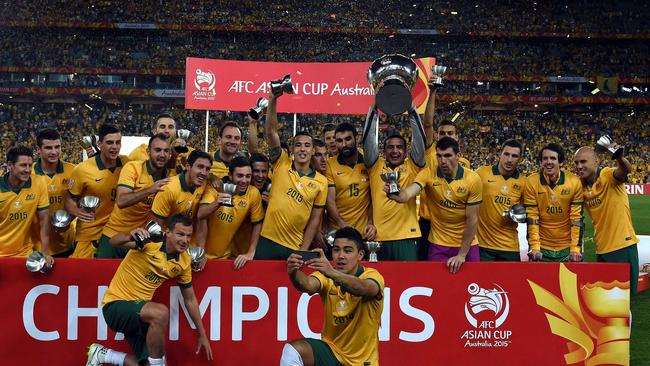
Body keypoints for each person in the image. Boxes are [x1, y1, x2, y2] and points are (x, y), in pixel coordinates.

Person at [86, 214, 213, 366]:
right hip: (115, 306)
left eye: (188, 236)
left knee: (147, 363)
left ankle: (103, 355)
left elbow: (190, 299)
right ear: (168, 232)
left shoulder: (184, 262)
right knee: (160, 313)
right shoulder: (150, 242)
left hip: (141, 316)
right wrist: (130, 235)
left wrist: (202, 334)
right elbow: (113, 242)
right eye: (180, 234)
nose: (185, 240)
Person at [281, 227, 384, 366]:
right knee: (293, 351)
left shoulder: (372, 275)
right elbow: (308, 285)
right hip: (332, 354)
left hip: (363, 362)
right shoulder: (327, 275)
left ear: (360, 255)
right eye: (336, 250)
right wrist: (293, 272)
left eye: (347, 251)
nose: (341, 256)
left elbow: (365, 288)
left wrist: (332, 272)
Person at [389, 137, 481, 273]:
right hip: (439, 243)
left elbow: (472, 220)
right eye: (439, 156)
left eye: (448, 156)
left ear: (458, 156)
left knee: (473, 287)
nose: (442, 161)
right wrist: (397, 194)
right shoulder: (428, 173)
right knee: (437, 289)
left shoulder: (472, 179)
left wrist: (462, 254)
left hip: (467, 244)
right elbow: (407, 194)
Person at [255, 92, 328, 260]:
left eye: (307, 146)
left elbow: (314, 221)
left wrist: (303, 249)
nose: (302, 149)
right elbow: (271, 132)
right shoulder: (282, 163)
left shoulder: (321, 182)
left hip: (293, 246)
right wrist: (273, 99)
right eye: (298, 145)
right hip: (267, 240)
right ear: (293, 149)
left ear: (312, 151)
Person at [362, 103, 427, 261]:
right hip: (379, 237)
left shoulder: (412, 166)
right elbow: (368, 140)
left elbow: (420, 140)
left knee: (407, 281)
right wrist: (374, 107)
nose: (395, 150)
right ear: (383, 151)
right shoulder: (375, 166)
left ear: (405, 151)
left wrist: (412, 110)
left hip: (407, 237)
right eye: (390, 147)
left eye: (399, 147)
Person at [574, 145, 640, 294]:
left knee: (624, 299)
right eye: (576, 163)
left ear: (596, 162)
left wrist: (618, 157)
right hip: (601, 248)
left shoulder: (608, 175)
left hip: (622, 246)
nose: (579, 166)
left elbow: (625, 170)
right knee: (607, 299)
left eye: (583, 162)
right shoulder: (581, 186)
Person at [97, 134, 172, 258]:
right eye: (158, 150)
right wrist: (150, 189)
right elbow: (121, 201)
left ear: (170, 154)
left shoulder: (171, 177)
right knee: (102, 275)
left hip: (141, 238)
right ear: (148, 151)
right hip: (114, 234)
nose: (162, 155)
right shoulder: (133, 168)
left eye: (166, 151)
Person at [66, 124, 129, 258]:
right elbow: (70, 200)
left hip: (118, 231)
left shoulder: (127, 164)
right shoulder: (82, 170)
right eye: (110, 143)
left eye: (118, 143)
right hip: (90, 232)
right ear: (99, 144)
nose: (115, 147)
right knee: (83, 275)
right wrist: (77, 212)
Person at [196, 156, 264, 269]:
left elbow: (257, 223)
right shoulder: (216, 188)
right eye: (240, 176)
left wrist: (251, 252)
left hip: (224, 258)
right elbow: (200, 214)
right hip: (200, 255)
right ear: (230, 175)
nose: (244, 180)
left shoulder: (253, 193)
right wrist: (217, 203)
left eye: (248, 176)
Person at [524, 143, 584, 262]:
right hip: (541, 247)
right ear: (541, 162)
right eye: (545, 158)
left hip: (567, 247)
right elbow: (532, 217)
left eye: (553, 158)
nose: (548, 162)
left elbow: (576, 219)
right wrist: (535, 247)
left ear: (560, 162)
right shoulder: (531, 182)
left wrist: (575, 249)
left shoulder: (574, 182)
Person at [0, 146, 53, 268]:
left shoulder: (39, 183)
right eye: (23, 165)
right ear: (10, 165)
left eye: (30, 165)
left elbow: (44, 220)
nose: (28, 170)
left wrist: (45, 253)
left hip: (25, 254)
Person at [476, 139, 526, 261]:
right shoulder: (482, 173)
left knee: (511, 280)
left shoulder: (524, 182)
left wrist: (517, 215)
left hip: (509, 247)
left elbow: (528, 213)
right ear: (500, 154)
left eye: (514, 156)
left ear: (520, 159)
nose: (509, 160)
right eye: (506, 154)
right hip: (482, 245)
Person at [30, 128, 76, 257]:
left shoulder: (72, 171)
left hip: (66, 243)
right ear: (39, 150)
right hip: (36, 245)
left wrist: (69, 220)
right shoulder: (29, 174)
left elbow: (77, 202)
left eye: (57, 147)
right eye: (49, 148)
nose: (54, 152)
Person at [325, 122, 375, 240]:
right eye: (339, 141)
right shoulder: (330, 165)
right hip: (338, 231)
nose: (344, 144)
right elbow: (330, 201)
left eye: (348, 139)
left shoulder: (369, 162)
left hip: (364, 232)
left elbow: (373, 197)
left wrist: (370, 221)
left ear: (356, 138)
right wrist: (341, 223)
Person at [151, 150, 211, 245]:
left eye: (207, 169)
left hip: (189, 246)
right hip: (168, 245)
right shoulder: (168, 189)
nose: (204, 172)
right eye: (200, 167)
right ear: (188, 166)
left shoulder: (205, 184)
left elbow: (202, 220)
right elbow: (156, 227)